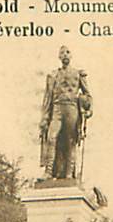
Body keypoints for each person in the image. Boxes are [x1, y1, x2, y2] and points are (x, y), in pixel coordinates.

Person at [39, 46, 92, 180]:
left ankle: (69, 174)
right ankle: (49, 172)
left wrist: (88, 108)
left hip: (71, 109)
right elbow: (47, 98)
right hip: (57, 109)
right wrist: (45, 117)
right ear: (59, 57)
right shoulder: (53, 75)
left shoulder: (78, 74)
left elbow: (88, 95)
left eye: (67, 52)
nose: (65, 55)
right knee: (51, 138)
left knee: (70, 141)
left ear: (71, 55)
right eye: (62, 53)